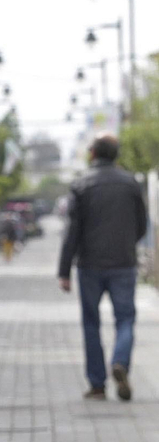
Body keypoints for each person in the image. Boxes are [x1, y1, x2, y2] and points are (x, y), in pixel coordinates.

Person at [58, 135, 148, 401]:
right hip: (123, 263)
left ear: (94, 153)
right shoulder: (130, 183)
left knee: (91, 322)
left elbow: (71, 231)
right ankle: (120, 361)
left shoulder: (81, 185)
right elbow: (142, 225)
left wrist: (64, 271)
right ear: (115, 155)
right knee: (126, 318)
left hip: (90, 266)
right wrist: (127, 245)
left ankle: (97, 385)